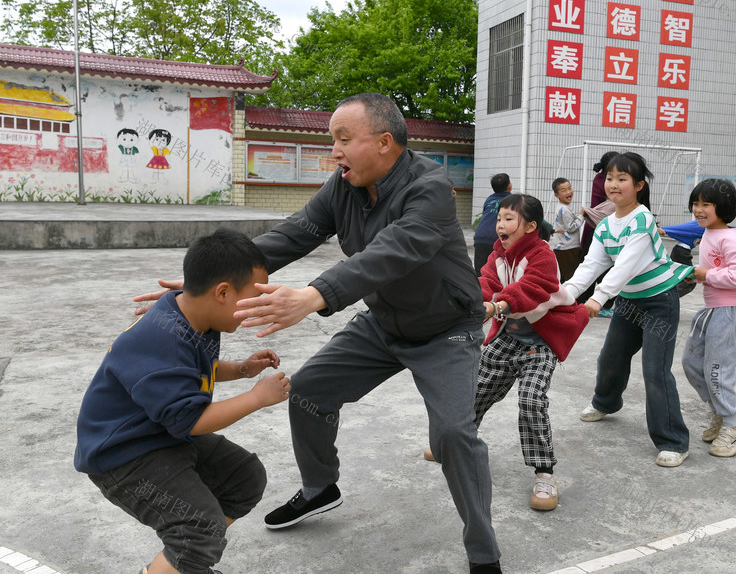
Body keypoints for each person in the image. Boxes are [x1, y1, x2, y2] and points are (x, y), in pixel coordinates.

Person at [134, 94, 503, 573]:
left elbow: (394, 250)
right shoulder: (344, 186)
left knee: (453, 433)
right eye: (333, 140)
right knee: (307, 392)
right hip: (383, 321)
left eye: (344, 139)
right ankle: (320, 488)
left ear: (385, 142)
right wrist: (213, 278)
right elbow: (293, 234)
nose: (334, 152)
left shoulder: (430, 187)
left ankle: (483, 553)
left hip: (446, 328)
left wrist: (314, 295)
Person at [78, 229, 291, 574]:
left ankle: (187, 562)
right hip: (122, 456)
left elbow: (192, 372)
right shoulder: (163, 338)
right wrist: (256, 398)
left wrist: (241, 369)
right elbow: (191, 420)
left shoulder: (194, 315)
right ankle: (185, 555)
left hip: (159, 434)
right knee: (200, 528)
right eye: (253, 298)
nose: (258, 308)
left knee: (244, 478)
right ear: (222, 292)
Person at [562, 152, 695, 468]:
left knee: (655, 370)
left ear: (638, 185)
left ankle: (674, 440)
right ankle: (606, 402)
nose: (613, 184)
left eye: (622, 178)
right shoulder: (607, 224)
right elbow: (592, 263)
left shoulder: (643, 219)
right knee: (610, 357)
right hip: (628, 303)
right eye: (609, 177)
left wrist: (597, 298)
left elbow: (625, 265)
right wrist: (565, 294)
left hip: (659, 302)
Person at [458, 193, 588, 511]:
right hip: (508, 337)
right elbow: (487, 281)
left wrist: (499, 304)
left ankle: (545, 474)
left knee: (531, 401)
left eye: (508, 219)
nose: (500, 225)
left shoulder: (543, 255)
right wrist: (475, 300)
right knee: (476, 390)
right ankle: (456, 442)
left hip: (540, 344)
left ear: (530, 226)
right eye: (499, 218)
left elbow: (530, 288)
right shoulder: (498, 254)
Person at [681, 179, 736, 458]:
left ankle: (733, 427)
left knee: (717, 369)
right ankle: (722, 411)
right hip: (711, 308)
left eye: (706, 204)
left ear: (722, 207)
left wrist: (706, 275)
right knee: (691, 363)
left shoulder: (731, 238)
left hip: (729, 309)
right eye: (696, 203)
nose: (698, 209)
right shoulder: (709, 232)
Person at [474, 173, 512, 273]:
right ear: (509, 186)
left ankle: (478, 288)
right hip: (498, 239)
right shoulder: (513, 201)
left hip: (480, 237)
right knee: (499, 273)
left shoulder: (489, 199)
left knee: (480, 273)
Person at [550, 177, 586, 282]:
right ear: (557, 195)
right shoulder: (564, 209)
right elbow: (571, 227)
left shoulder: (563, 206)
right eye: (563, 190)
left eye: (569, 188)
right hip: (568, 248)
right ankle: (570, 298)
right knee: (571, 278)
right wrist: (582, 215)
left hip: (563, 247)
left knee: (563, 277)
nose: (568, 192)